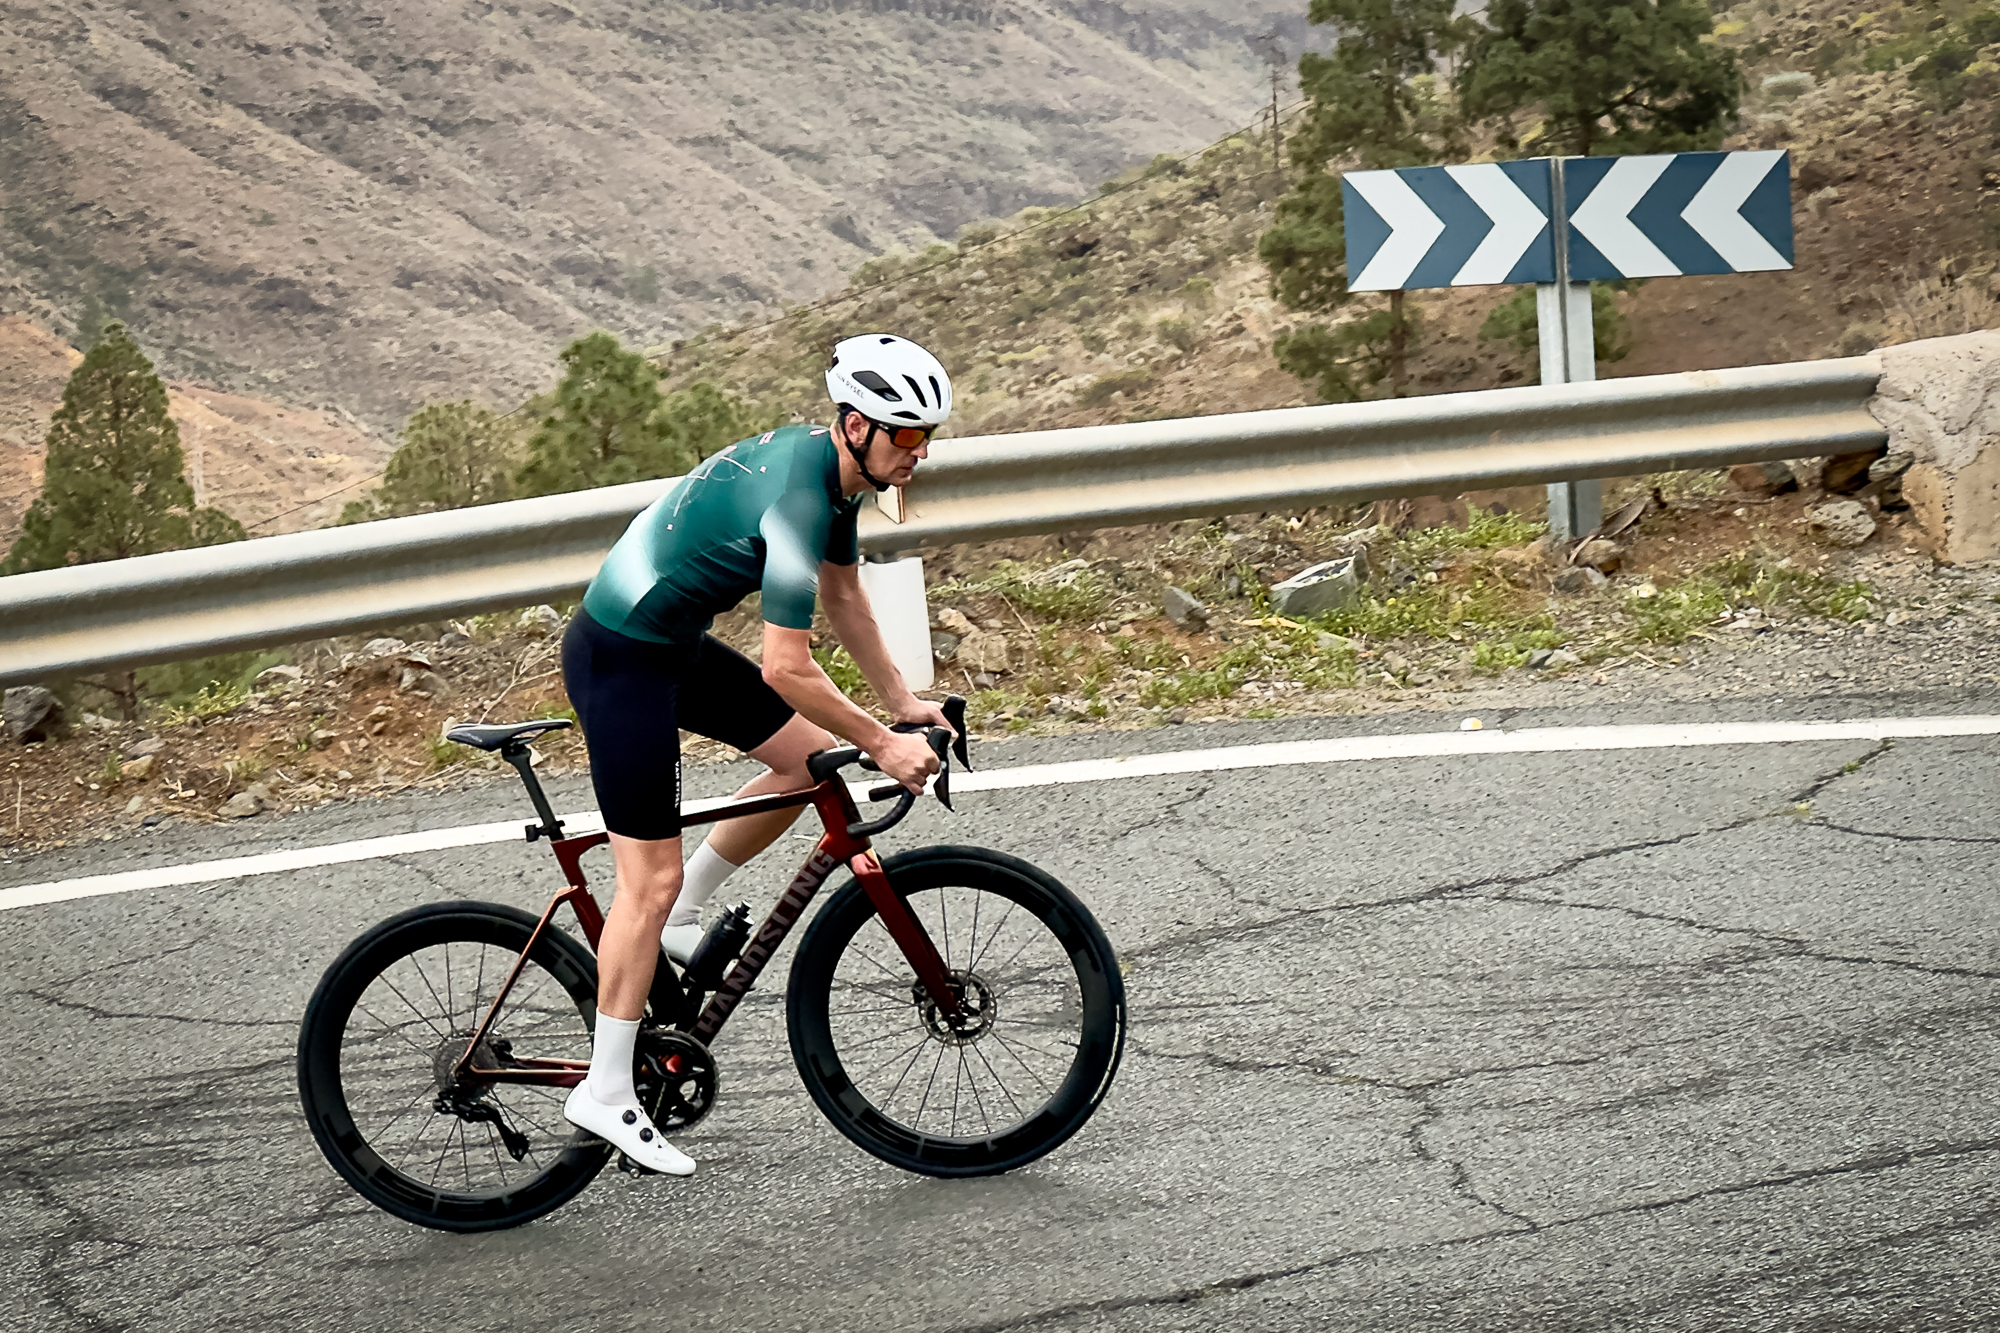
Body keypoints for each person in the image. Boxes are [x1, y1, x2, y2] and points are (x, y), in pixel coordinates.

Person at [558, 333, 956, 1174]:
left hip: (670, 644)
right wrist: (884, 744)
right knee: (645, 879)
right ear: (856, 425)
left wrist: (903, 704)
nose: (919, 454)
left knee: (806, 760)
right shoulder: (802, 500)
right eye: (908, 436)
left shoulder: (837, 475)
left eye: (928, 439)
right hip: (621, 656)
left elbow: (846, 597)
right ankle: (603, 1089)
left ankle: (685, 917)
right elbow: (786, 664)